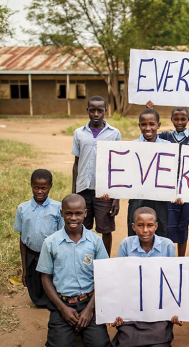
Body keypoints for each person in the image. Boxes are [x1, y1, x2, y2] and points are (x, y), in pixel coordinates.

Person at [36, 194, 110, 347]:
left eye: (78, 213)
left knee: (100, 344)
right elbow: (46, 278)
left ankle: (84, 328)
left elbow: (104, 277)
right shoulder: (50, 243)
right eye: (68, 213)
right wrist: (62, 308)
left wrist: (90, 309)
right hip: (62, 304)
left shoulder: (95, 241)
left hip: (90, 302)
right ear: (61, 213)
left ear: (85, 213)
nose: (73, 218)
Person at [146, 101, 189, 256]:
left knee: (183, 224)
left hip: (186, 189)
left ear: (188, 120)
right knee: (165, 223)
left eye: (183, 119)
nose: (180, 122)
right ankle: (165, 257)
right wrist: (150, 111)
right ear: (171, 120)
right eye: (176, 119)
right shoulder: (164, 136)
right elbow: (148, 139)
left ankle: (180, 259)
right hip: (166, 187)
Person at [110, 207, 182, 347]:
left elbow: (173, 280)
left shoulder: (167, 245)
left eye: (150, 225)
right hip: (132, 304)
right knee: (127, 341)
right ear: (133, 227)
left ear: (156, 226)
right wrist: (117, 311)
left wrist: (175, 310)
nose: (145, 231)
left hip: (158, 306)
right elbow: (119, 279)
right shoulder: (126, 245)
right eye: (140, 225)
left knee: (159, 339)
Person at [72, 95, 122, 256]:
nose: (96, 114)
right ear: (87, 111)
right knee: (81, 227)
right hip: (83, 189)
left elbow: (118, 166)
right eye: (92, 110)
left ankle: (104, 261)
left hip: (104, 192)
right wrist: (74, 193)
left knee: (105, 228)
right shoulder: (79, 133)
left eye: (100, 111)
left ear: (105, 112)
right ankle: (82, 259)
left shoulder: (114, 134)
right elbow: (76, 164)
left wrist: (116, 197)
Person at [123, 108, 177, 239]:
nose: (148, 128)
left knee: (161, 231)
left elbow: (172, 172)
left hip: (160, 198)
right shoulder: (132, 146)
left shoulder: (168, 146)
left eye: (152, 124)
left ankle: (159, 259)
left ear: (158, 125)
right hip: (137, 197)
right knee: (134, 232)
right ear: (139, 126)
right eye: (143, 124)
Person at [14, 169, 64, 307]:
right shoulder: (22, 209)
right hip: (32, 254)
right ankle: (40, 299)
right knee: (34, 286)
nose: (40, 191)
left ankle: (53, 299)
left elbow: (62, 235)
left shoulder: (58, 208)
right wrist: (24, 267)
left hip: (51, 255)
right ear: (31, 185)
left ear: (50, 186)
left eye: (44, 188)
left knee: (52, 281)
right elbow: (22, 239)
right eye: (36, 187)